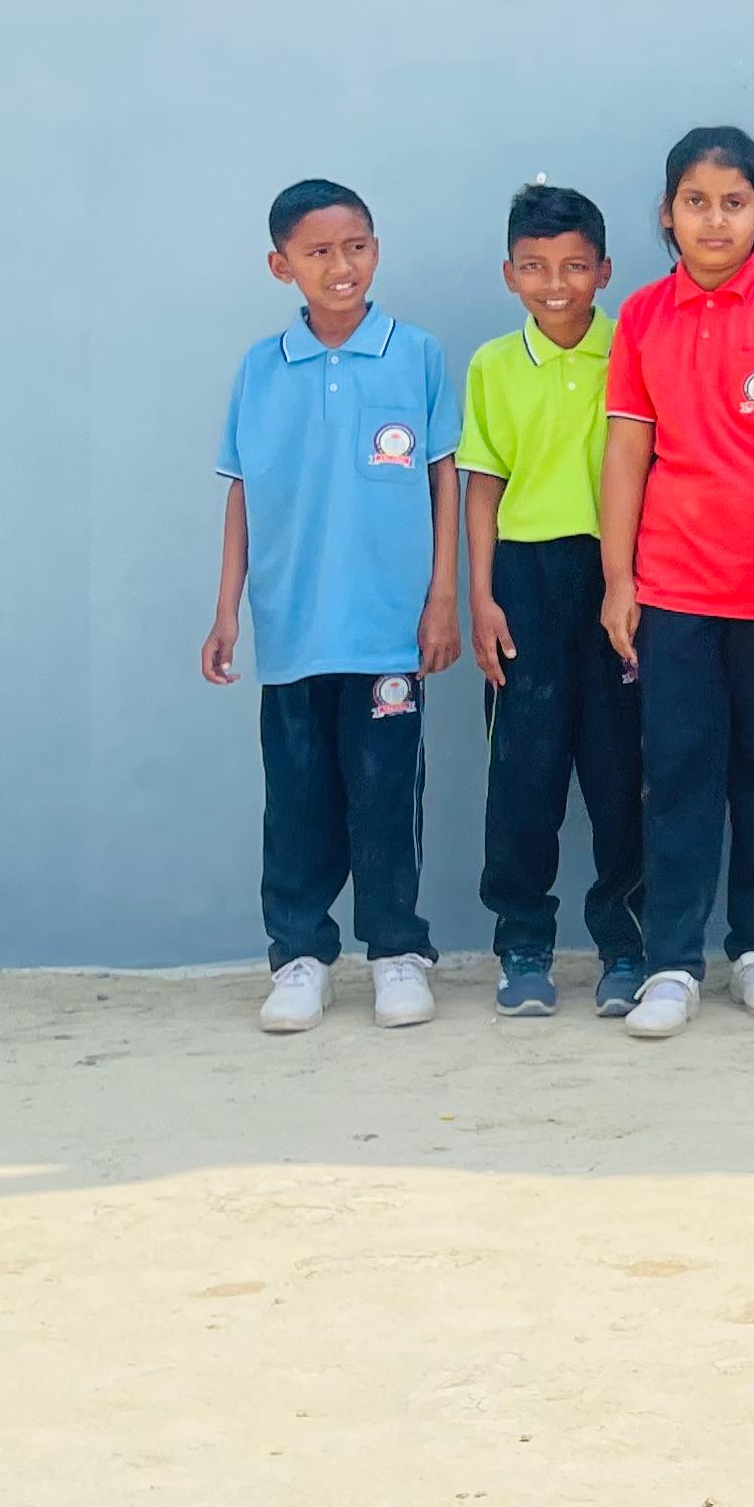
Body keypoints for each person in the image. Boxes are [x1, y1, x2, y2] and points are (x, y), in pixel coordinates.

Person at [205, 178, 462, 1036]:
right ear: (282, 266)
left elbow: (443, 481)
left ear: (376, 250)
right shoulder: (260, 368)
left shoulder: (415, 355)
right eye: (318, 252)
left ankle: (397, 952)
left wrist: (441, 597)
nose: (340, 265)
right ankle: (300, 957)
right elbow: (241, 492)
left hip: (388, 630)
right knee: (298, 801)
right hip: (292, 627)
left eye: (355, 247)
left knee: (386, 797)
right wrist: (227, 610)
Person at [598, 128, 754, 1041]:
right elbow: (628, 452)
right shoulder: (643, 316)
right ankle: (671, 963)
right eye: (695, 202)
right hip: (674, 592)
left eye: (733, 203)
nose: (714, 220)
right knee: (678, 779)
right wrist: (619, 579)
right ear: (668, 214)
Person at [461, 184, 645, 1020]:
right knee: (522, 771)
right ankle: (524, 944)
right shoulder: (493, 365)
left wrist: (628, 581)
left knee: (621, 770)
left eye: (574, 265)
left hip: (620, 576)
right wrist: (481, 595)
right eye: (534, 267)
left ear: (603, 271)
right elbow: (483, 483)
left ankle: (626, 944)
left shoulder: (634, 348)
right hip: (524, 579)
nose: (555, 283)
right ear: (509, 275)